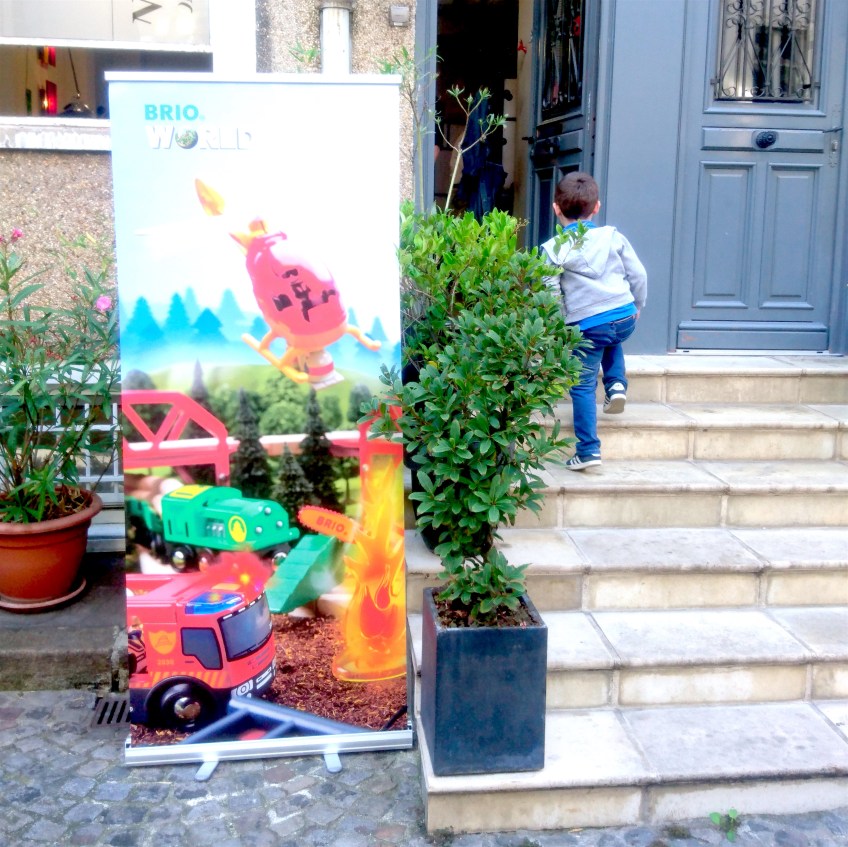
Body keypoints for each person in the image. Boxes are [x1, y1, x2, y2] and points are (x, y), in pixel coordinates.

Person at [541, 172, 647, 470]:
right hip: (624, 315)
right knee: (610, 333)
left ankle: (588, 450)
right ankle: (616, 384)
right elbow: (639, 274)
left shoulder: (553, 249)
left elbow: (550, 293)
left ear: (556, 209)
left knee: (583, 385)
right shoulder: (613, 237)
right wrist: (637, 304)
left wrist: (562, 325)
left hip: (588, 324)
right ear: (596, 207)